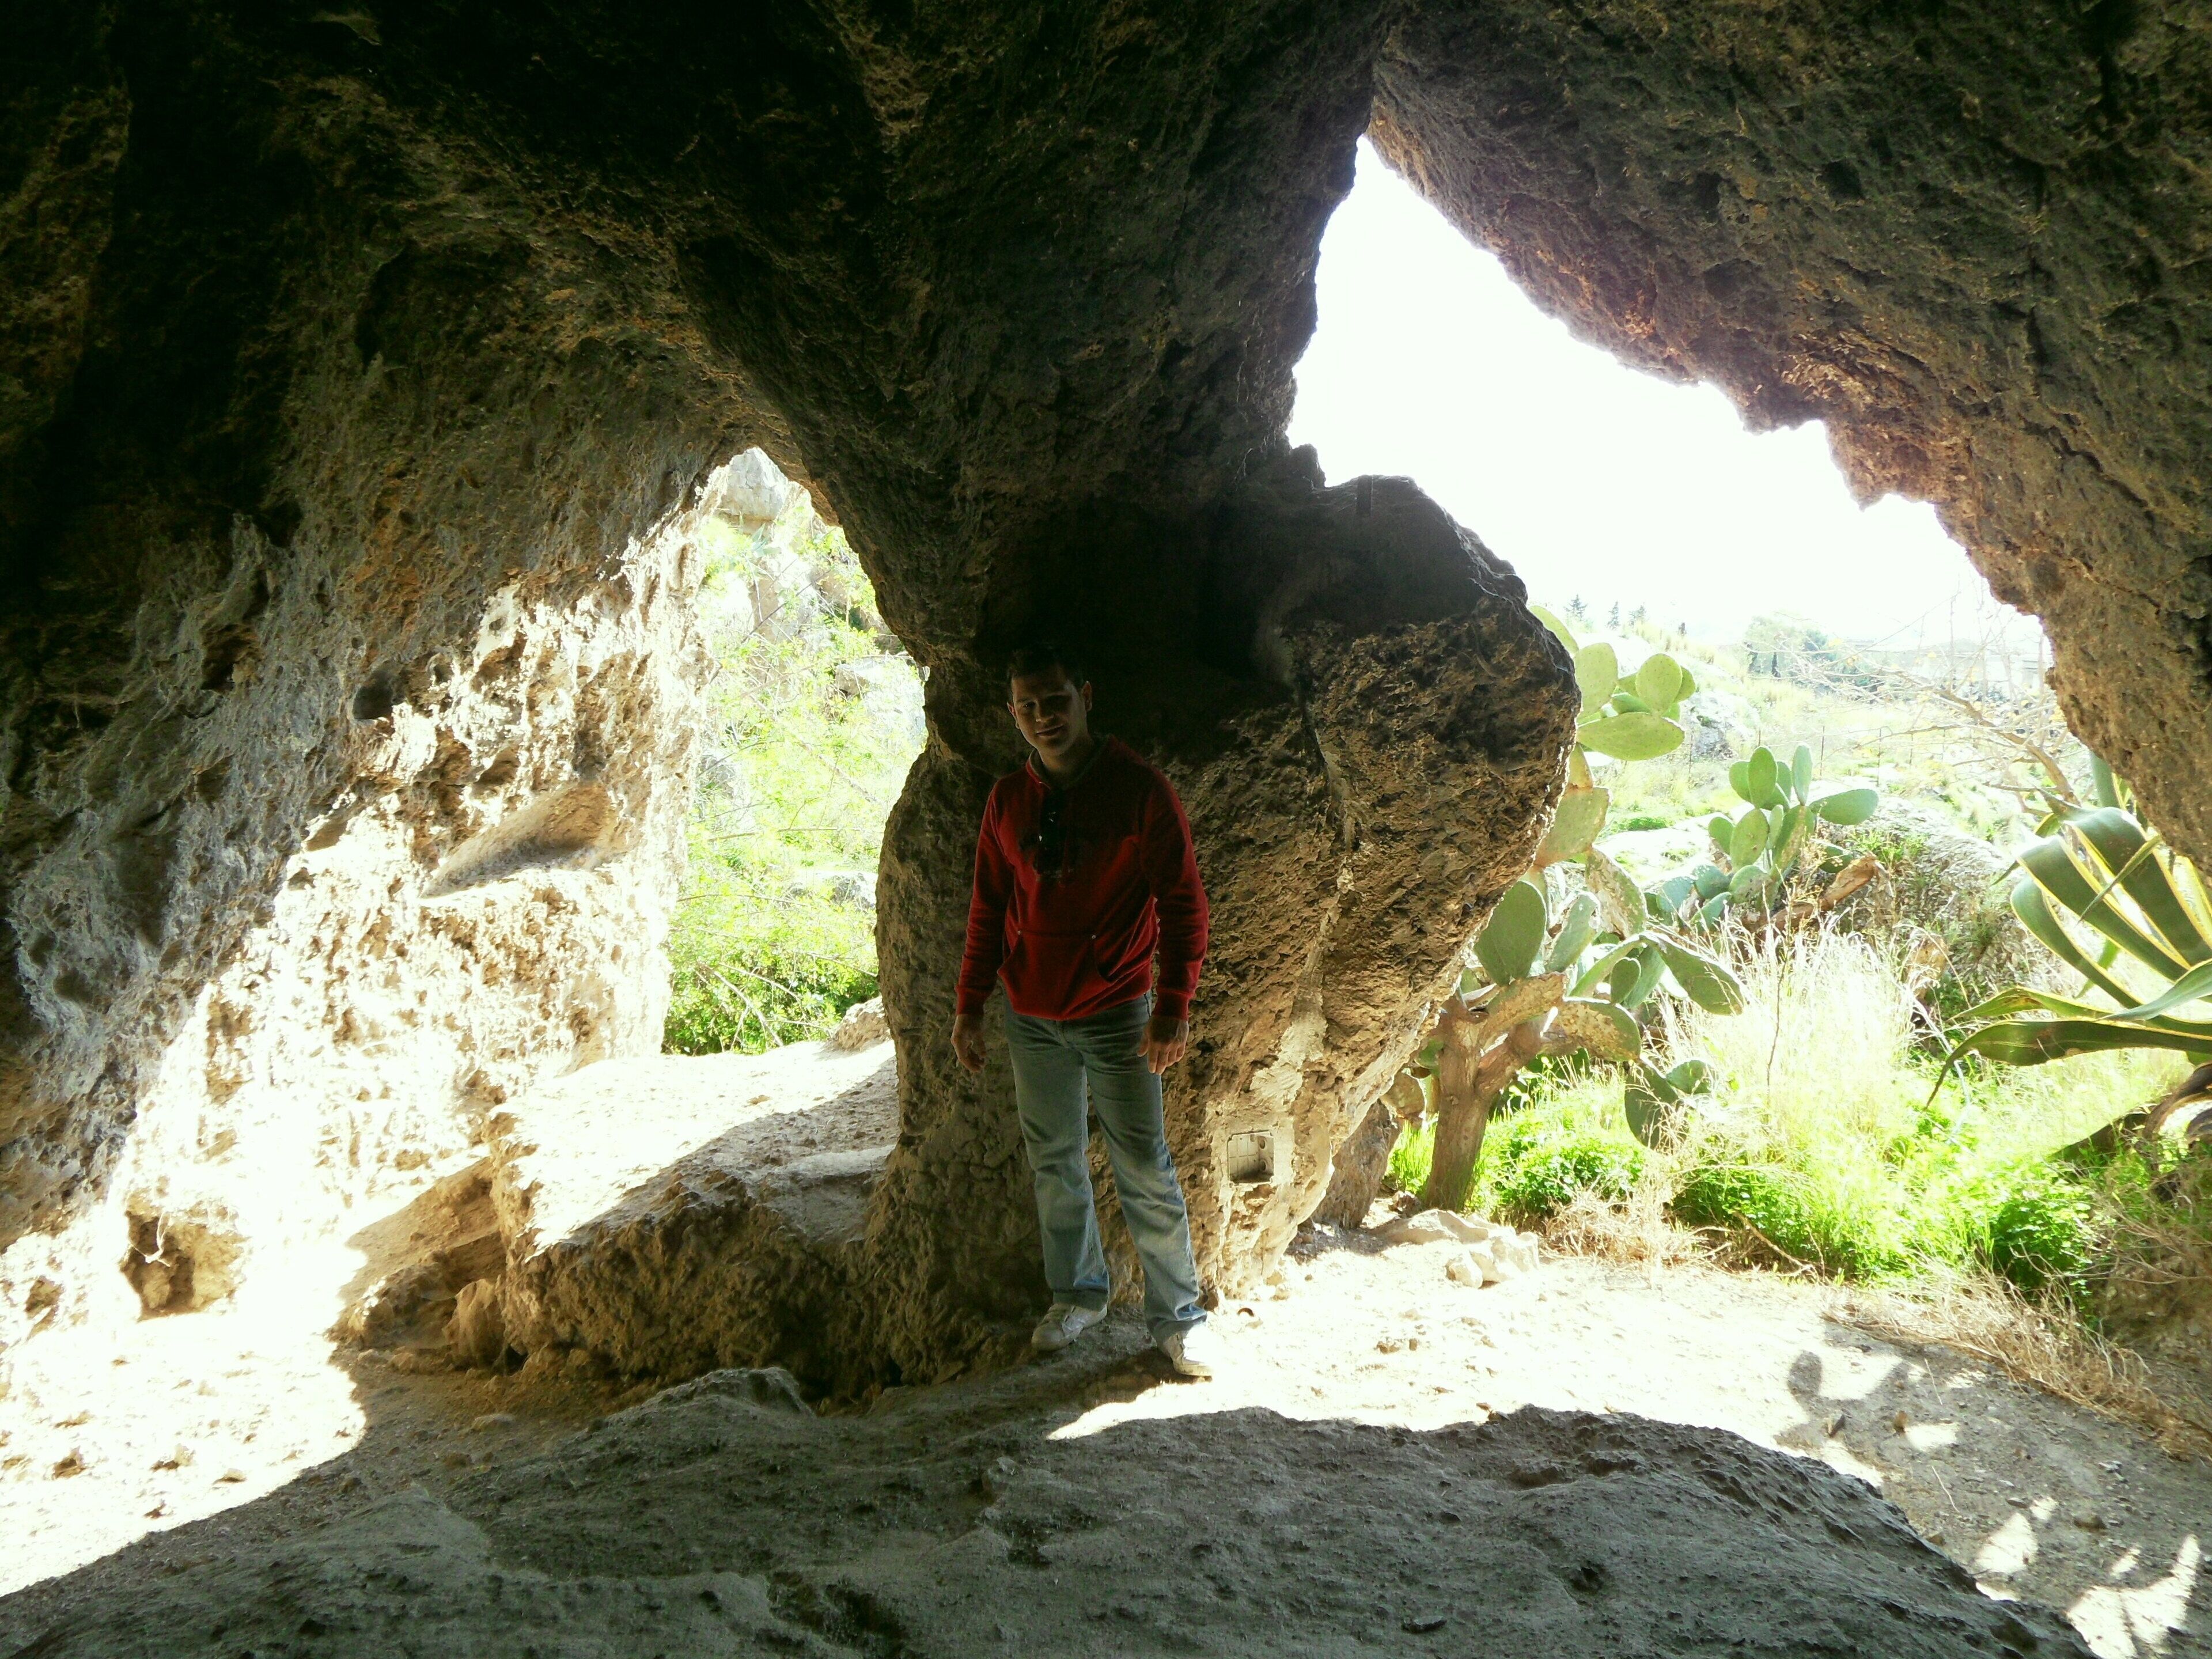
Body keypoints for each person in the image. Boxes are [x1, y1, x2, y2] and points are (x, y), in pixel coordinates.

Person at [950, 641, 1221, 1378]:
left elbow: (1183, 901)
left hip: (1118, 1012)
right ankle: (1078, 1296)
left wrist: (1174, 1005)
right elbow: (988, 906)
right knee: (1054, 1163)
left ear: (1086, 696)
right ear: (1013, 714)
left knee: (1143, 1163)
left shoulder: (1139, 790)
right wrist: (970, 1002)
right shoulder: (1008, 800)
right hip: (1030, 1015)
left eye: (1056, 701)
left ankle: (1179, 1317)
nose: (1044, 717)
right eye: (1028, 706)